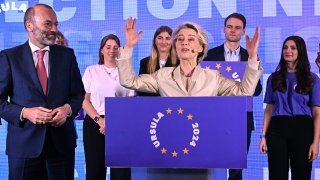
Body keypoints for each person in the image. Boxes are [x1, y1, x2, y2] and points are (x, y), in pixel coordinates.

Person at [115, 17, 262, 179]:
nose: (185, 43)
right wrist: (128, 47)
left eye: (191, 39)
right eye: (180, 40)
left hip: (202, 154)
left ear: (201, 47)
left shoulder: (213, 77)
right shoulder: (163, 75)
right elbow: (129, 81)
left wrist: (252, 58)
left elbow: (245, 91)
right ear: (175, 46)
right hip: (168, 152)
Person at [0, 3, 85, 180]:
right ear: (29, 25)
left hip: (61, 146)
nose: (54, 29)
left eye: (56, 24)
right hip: (24, 146)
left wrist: (67, 110)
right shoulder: (9, 57)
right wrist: (25, 113)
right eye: (48, 24)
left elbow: (78, 94)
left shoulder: (67, 55)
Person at [204, 12, 262, 180]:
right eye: (230, 27)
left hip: (242, 118)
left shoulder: (251, 57)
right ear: (224, 29)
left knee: (236, 169)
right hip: (214, 118)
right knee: (213, 164)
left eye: (237, 28)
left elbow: (257, 90)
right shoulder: (209, 56)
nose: (233, 31)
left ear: (243, 31)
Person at [259, 36, 320, 180]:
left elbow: (317, 113)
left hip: (303, 129)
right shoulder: (273, 78)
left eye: (293, 48)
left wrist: (315, 142)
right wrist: (263, 136)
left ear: (301, 51)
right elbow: (269, 108)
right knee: (276, 175)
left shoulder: (312, 79)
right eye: (285, 47)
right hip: (277, 129)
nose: (288, 51)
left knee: (301, 174)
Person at [82, 34, 135, 180]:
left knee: (121, 173)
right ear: (101, 50)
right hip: (94, 124)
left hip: (120, 125)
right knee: (94, 171)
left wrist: (113, 123)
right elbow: (84, 100)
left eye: (116, 48)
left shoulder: (127, 73)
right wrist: (100, 120)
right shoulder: (91, 71)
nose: (112, 50)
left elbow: (130, 103)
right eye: (108, 47)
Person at [138, 25, 177, 96]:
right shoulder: (144, 62)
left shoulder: (179, 62)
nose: (163, 42)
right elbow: (140, 89)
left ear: (172, 42)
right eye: (160, 38)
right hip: (151, 104)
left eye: (168, 38)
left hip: (173, 105)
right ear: (155, 41)